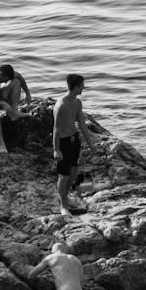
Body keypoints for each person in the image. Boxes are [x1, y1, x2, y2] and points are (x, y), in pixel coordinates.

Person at [53, 73, 88, 216]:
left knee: (73, 172)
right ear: (76, 86)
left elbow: (82, 124)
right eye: (82, 85)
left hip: (74, 140)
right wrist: (56, 150)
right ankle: (63, 206)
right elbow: (56, 129)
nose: (83, 88)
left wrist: (91, 144)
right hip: (63, 143)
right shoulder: (61, 105)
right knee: (64, 175)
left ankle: (65, 198)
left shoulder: (77, 102)